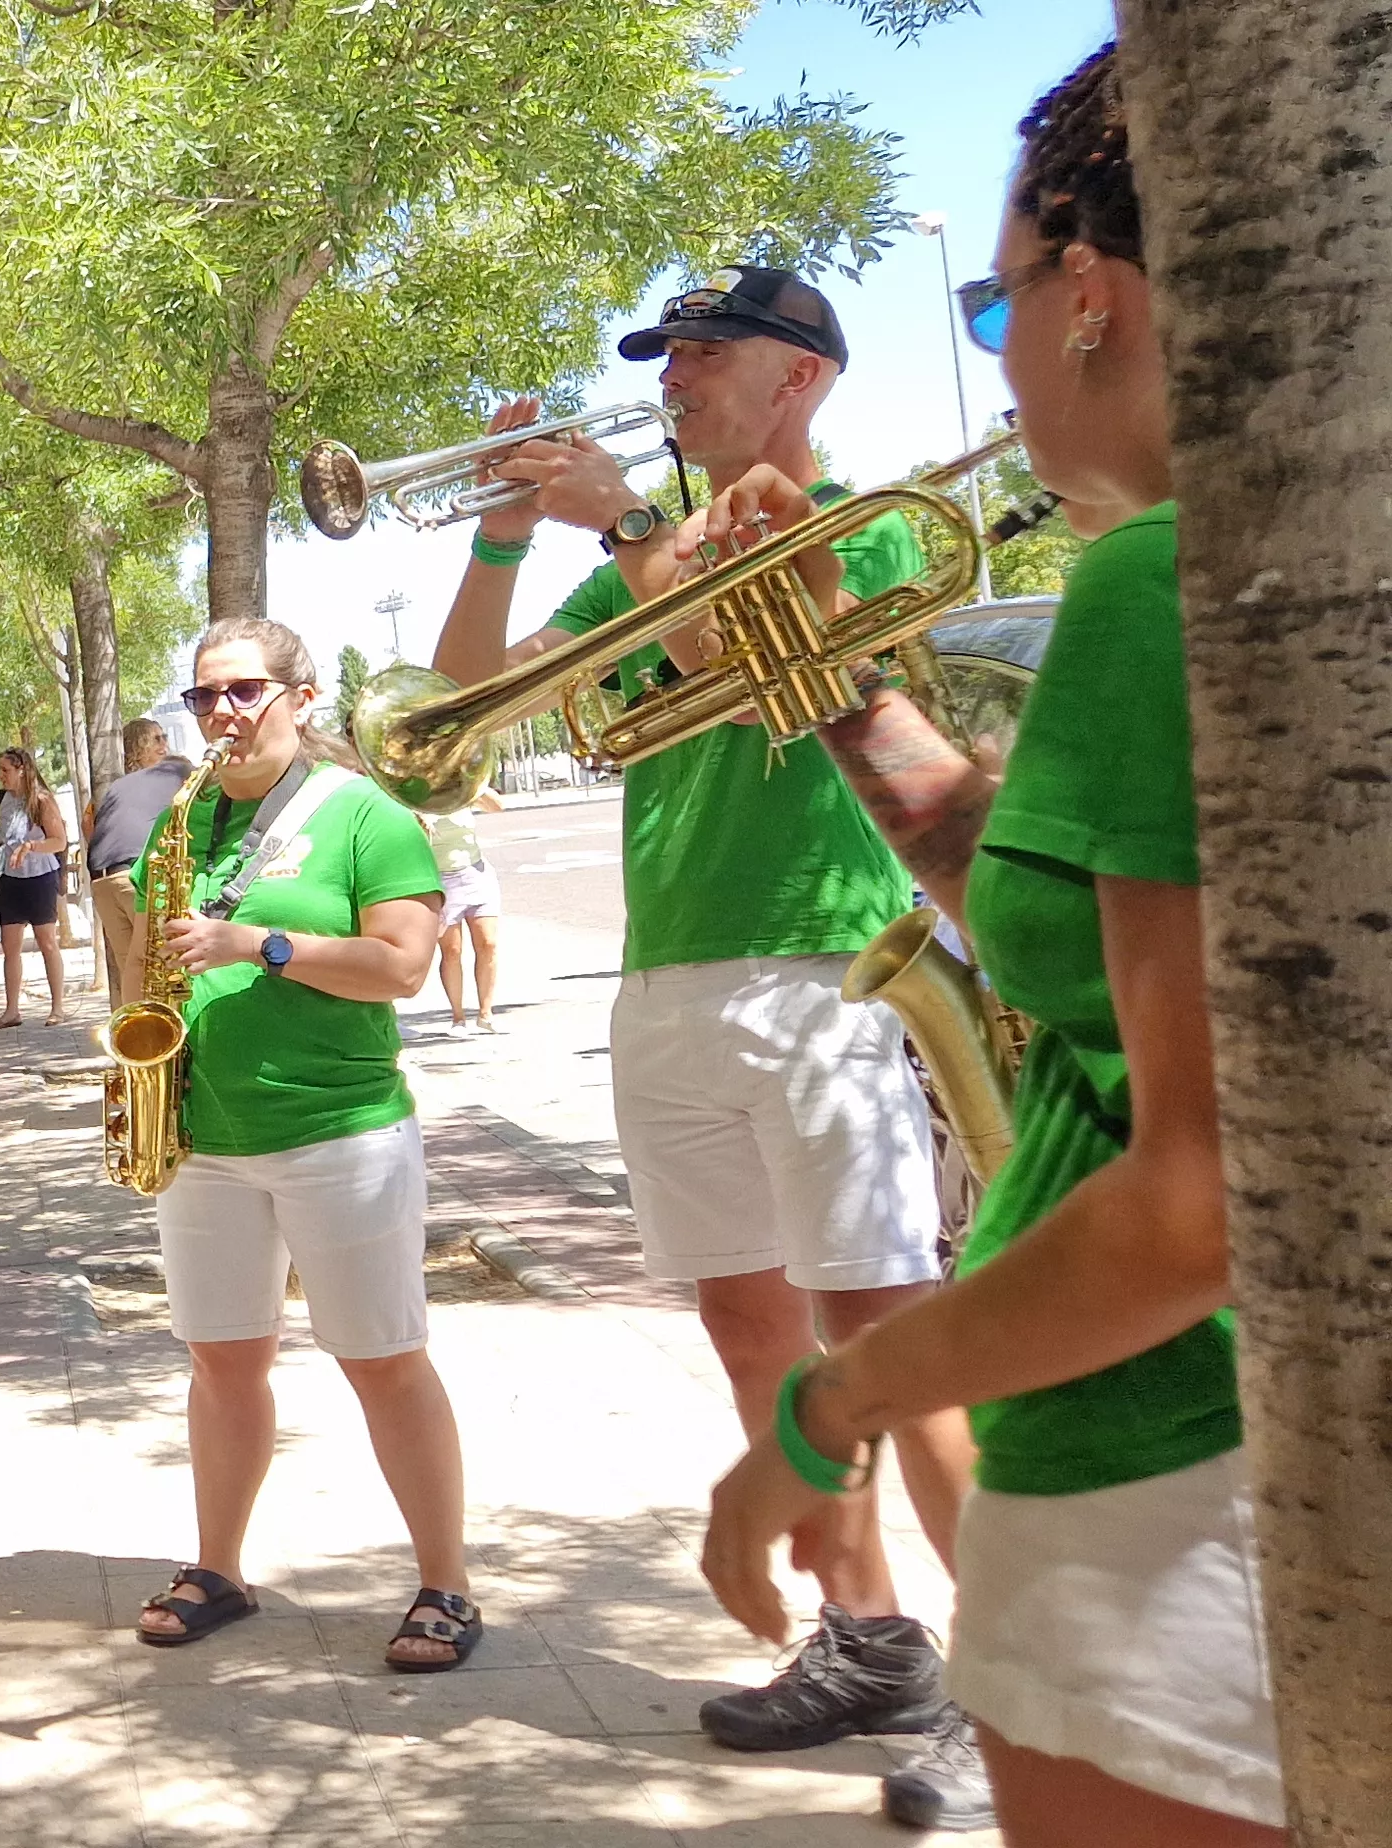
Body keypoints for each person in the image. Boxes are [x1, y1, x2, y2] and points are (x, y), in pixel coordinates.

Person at [705, 52, 1274, 1842]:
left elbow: (1198, 1200)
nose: (1004, 351)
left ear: (1088, 293)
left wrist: (825, 1407)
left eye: (996, 295)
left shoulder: (1146, 577)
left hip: (1170, 1499)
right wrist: (831, 661)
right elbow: (1028, 888)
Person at [435, 264, 977, 1776]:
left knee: (885, 1331)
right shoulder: (644, 551)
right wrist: (496, 536)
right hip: (666, 972)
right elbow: (465, 702)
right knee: (748, 1329)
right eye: (665, 355)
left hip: (828, 969)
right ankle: (868, 1639)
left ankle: (1017, 1672)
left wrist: (618, 525)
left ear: (801, 375)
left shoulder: (863, 521)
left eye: (704, 351)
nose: (671, 378)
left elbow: (743, 675)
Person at [121, 619, 478, 1671]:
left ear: (301, 696)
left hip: (338, 1131)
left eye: (242, 693)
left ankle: (444, 1584)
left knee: (380, 1360)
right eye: (203, 698)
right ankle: (219, 1568)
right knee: (220, 1362)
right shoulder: (182, 820)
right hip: (207, 1135)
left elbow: (404, 965)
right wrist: (140, 1056)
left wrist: (260, 945)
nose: (221, 715)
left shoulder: (366, 813)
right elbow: (146, 955)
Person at [85, 720, 188, 1005]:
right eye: (156, 739)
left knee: (133, 975)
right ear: (137, 747)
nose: (164, 746)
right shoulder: (177, 771)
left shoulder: (117, 787)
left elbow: (89, 829)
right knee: (167, 970)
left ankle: (140, 1045)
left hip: (105, 882)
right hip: (136, 877)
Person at [0, 746, 74, 1029]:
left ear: (22, 769)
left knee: (47, 941)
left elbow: (59, 841)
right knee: (9, 945)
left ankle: (57, 1007)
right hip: (11, 877)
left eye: (6, 770)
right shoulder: (3, 799)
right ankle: (12, 1010)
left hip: (40, 876)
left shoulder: (42, 800)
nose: (1, 776)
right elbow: (4, 836)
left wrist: (32, 846)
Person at [426, 791, 508, 1033]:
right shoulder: (417, 796)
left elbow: (498, 806)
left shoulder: (458, 790)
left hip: (476, 874)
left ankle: (486, 1013)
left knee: (488, 943)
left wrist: (473, 783)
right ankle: (458, 1017)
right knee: (452, 950)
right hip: (441, 879)